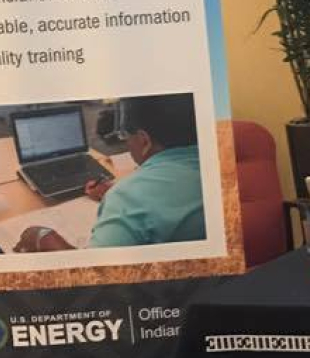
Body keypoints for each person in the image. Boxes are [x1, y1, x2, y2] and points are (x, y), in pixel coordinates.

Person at [16, 94, 206, 251]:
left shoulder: (128, 198)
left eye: (124, 136)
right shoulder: (215, 166)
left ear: (144, 141)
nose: (125, 142)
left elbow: (92, 273)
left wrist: (43, 238)